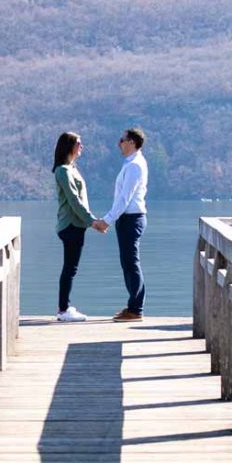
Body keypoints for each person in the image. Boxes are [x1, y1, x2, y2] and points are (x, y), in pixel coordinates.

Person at [93, 127, 148, 321]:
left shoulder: (134, 166)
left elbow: (125, 197)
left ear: (132, 142)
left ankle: (136, 309)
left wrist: (106, 220)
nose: (119, 143)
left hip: (131, 219)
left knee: (131, 263)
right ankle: (133, 306)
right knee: (128, 263)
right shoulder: (131, 163)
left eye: (122, 140)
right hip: (128, 218)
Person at [52, 131, 102, 322]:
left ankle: (63, 306)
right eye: (78, 143)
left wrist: (89, 222)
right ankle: (64, 310)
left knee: (70, 267)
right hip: (71, 224)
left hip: (76, 225)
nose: (82, 146)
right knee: (70, 268)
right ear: (69, 146)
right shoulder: (63, 170)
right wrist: (93, 221)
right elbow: (74, 200)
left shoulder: (71, 168)